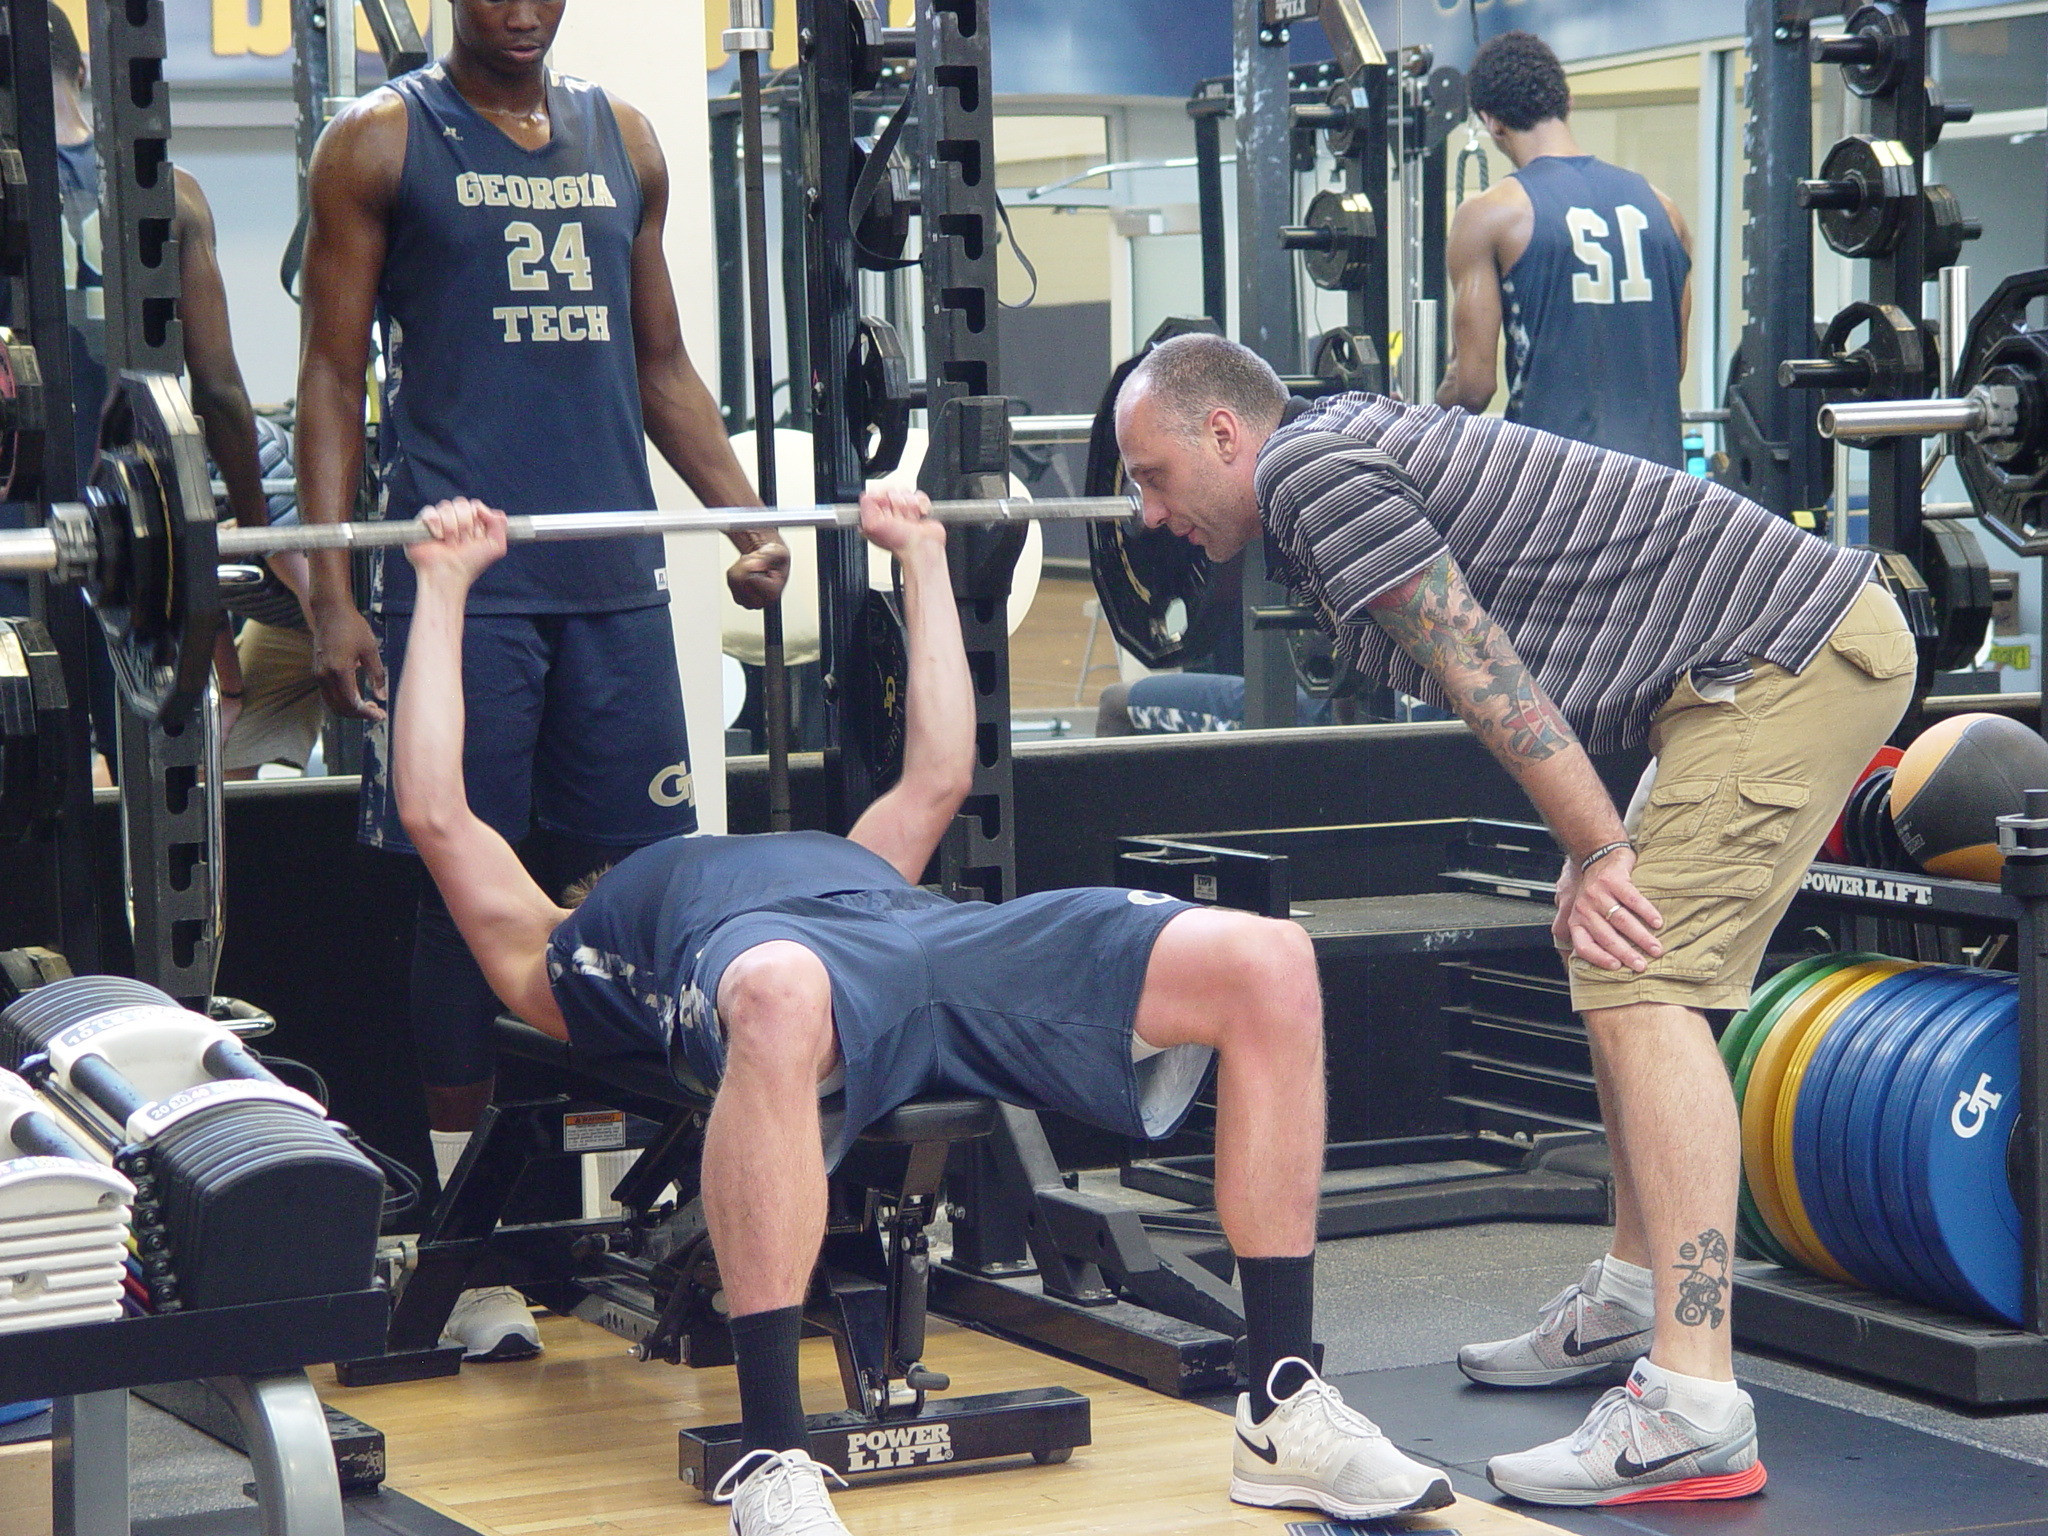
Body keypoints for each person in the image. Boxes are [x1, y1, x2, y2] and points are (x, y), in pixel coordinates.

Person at [391, 490, 1454, 1536]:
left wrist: (923, 560)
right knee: (777, 990)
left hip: (928, 938)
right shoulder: (560, 944)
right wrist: (441, 589)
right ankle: (771, 1456)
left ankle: (1278, 1405)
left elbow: (940, 772)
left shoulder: (853, 858)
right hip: (790, 977)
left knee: (1268, 958)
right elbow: (437, 811)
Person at [1114, 333, 1917, 1507]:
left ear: (1223, 434)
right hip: (1728, 675)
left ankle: (1693, 1407)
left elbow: (1484, 665)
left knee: (1643, 979)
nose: (1145, 513)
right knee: (1607, 952)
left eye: (1150, 474)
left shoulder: (1304, 474)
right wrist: (1588, 844)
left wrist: (1600, 846)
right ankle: (1635, 1301)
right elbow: (1538, 637)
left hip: (1780, 662)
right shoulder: (1327, 450)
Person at [296, 0, 789, 1358]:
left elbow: (663, 367)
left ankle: (685, 1210)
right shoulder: (378, 143)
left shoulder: (623, 139)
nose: (519, 10)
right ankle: (471, 1242)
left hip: (613, 588)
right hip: (467, 594)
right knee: (465, 905)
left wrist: (746, 521)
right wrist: (334, 591)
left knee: (658, 901)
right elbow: (332, 380)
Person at [29, 5, 272, 763]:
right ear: (89, 73)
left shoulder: (20, 203)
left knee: (39, 785)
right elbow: (221, 391)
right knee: (150, 765)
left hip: (30, 538)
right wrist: (263, 541)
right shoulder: (173, 191)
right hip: (142, 545)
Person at [1436, 30, 1692, 470]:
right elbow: (1673, 366)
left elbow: (1473, 389)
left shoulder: (1491, 214)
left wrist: (1428, 413)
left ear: (1491, 121)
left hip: (1554, 487)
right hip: (1664, 487)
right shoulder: (1665, 209)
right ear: (1566, 102)